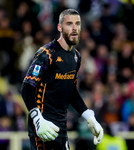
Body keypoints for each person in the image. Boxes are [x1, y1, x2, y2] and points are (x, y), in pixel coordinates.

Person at [20, 9, 103, 150]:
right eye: (69, 24)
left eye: (77, 23)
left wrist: (89, 116)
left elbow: (71, 92)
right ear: (59, 27)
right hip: (42, 128)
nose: (74, 28)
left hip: (61, 128)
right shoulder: (46, 53)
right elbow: (26, 88)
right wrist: (38, 119)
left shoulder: (76, 57)